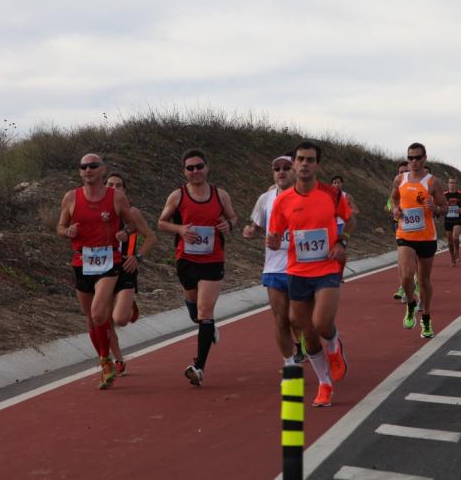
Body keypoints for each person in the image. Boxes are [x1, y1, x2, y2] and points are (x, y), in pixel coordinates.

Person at [267, 140, 353, 408]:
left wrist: (341, 241)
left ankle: (335, 348)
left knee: (321, 322)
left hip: (326, 267)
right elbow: (275, 233)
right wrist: (272, 240)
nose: (304, 164)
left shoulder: (331, 194)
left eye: (310, 160)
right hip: (297, 271)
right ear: (294, 164)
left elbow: (349, 219)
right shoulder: (283, 201)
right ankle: (324, 384)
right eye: (300, 159)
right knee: (307, 332)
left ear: (317, 164)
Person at [158, 149, 238, 387]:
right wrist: (180, 230)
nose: (195, 171)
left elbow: (233, 218)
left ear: (207, 167)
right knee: (196, 314)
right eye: (190, 168)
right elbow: (161, 223)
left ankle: (199, 367)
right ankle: (208, 327)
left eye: (199, 166)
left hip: (213, 260)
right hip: (186, 260)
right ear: (184, 171)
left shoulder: (220, 195)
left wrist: (228, 225)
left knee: (205, 311)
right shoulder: (178, 196)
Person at [57, 154, 134, 389]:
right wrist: (67, 231)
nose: (88, 169)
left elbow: (131, 224)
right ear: (80, 172)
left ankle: (106, 361)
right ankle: (105, 361)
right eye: (83, 166)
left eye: (93, 166)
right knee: (91, 320)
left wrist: (124, 233)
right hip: (82, 261)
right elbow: (60, 227)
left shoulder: (116, 197)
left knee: (99, 312)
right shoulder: (71, 197)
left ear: (102, 170)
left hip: (109, 261)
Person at [243, 154, 308, 366]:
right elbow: (256, 224)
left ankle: (304, 342)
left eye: (286, 167)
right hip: (274, 268)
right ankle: (289, 363)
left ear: (295, 170)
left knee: (297, 317)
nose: (281, 172)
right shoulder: (266, 198)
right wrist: (251, 230)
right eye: (277, 168)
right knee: (280, 319)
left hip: (302, 267)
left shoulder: (308, 197)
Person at [390, 142, 448, 340]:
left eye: (417, 157)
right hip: (405, 235)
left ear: (424, 159)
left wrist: (436, 209)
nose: (413, 161)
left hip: (426, 237)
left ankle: (426, 318)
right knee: (406, 277)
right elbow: (394, 200)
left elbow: (444, 207)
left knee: (423, 280)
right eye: (410, 158)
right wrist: (396, 210)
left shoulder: (433, 182)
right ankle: (411, 303)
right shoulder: (400, 179)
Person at [105, 173, 157, 376]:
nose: (115, 188)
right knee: (105, 321)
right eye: (110, 185)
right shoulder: (96, 211)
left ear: (125, 190)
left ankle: (128, 305)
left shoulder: (132, 212)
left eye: (119, 185)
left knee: (120, 319)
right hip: (103, 270)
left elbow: (151, 238)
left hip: (126, 268)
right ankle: (118, 359)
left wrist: (137, 257)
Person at [389, 161, 419, 301]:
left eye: (405, 171)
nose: (402, 174)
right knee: (402, 260)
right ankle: (403, 287)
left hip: (418, 230)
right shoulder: (396, 188)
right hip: (400, 227)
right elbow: (391, 204)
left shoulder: (415, 186)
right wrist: (395, 210)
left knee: (417, 260)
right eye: (400, 172)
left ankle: (417, 284)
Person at [443, 177, 461, 266]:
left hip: (458, 219)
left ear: (456, 184)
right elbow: (440, 206)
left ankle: (457, 252)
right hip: (448, 219)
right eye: (450, 183)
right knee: (449, 241)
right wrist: (443, 208)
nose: (452, 184)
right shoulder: (444, 194)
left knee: (455, 237)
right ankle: (452, 257)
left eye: (454, 183)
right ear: (448, 184)